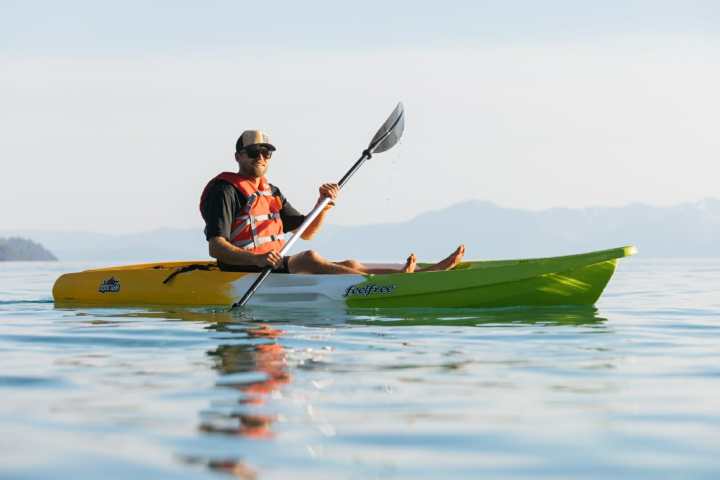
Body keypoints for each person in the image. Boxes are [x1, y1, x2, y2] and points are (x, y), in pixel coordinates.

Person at [199, 130, 464, 274]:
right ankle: (393, 285)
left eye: (266, 152)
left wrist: (323, 205)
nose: (261, 157)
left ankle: (421, 274)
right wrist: (256, 260)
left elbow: (307, 232)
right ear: (238, 157)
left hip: (269, 264)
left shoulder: (272, 192)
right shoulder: (225, 191)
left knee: (349, 264)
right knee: (309, 259)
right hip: (240, 269)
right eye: (254, 152)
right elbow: (216, 247)